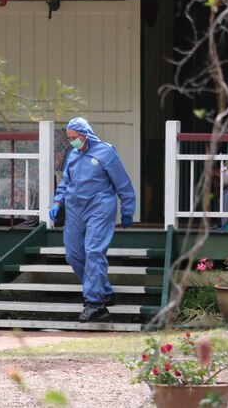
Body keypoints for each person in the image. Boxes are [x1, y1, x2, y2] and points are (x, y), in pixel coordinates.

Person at [49, 117, 136, 322]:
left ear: (84, 135)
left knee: (93, 251)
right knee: (73, 255)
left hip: (99, 206)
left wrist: (128, 211)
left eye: (74, 137)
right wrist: (57, 202)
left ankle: (95, 304)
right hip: (74, 209)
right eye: (69, 138)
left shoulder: (106, 152)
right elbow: (65, 182)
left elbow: (123, 184)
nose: (71, 142)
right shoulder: (73, 154)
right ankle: (103, 290)